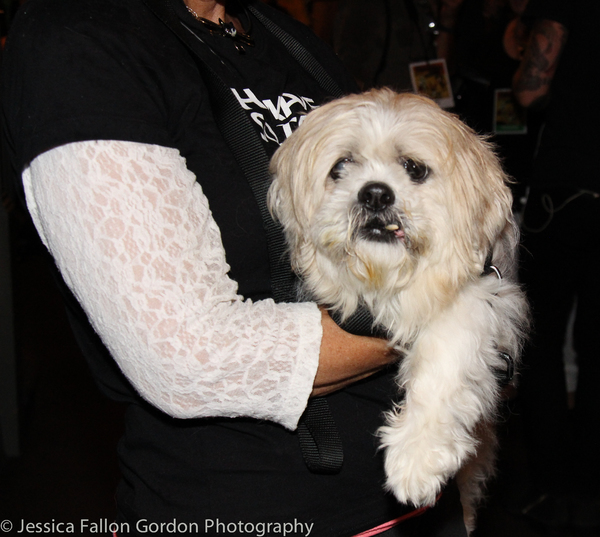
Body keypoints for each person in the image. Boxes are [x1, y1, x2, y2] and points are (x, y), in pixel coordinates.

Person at [1, 0, 468, 535]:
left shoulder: (277, 32)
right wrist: (453, 317)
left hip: (415, 495)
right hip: (249, 507)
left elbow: (460, 217)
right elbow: (187, 355)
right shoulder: (78, 37)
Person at [508, 0, 600, 531]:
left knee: (539, 342)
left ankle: (548, 484)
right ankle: (587, 486)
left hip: (566, 193)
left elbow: (529, 90)